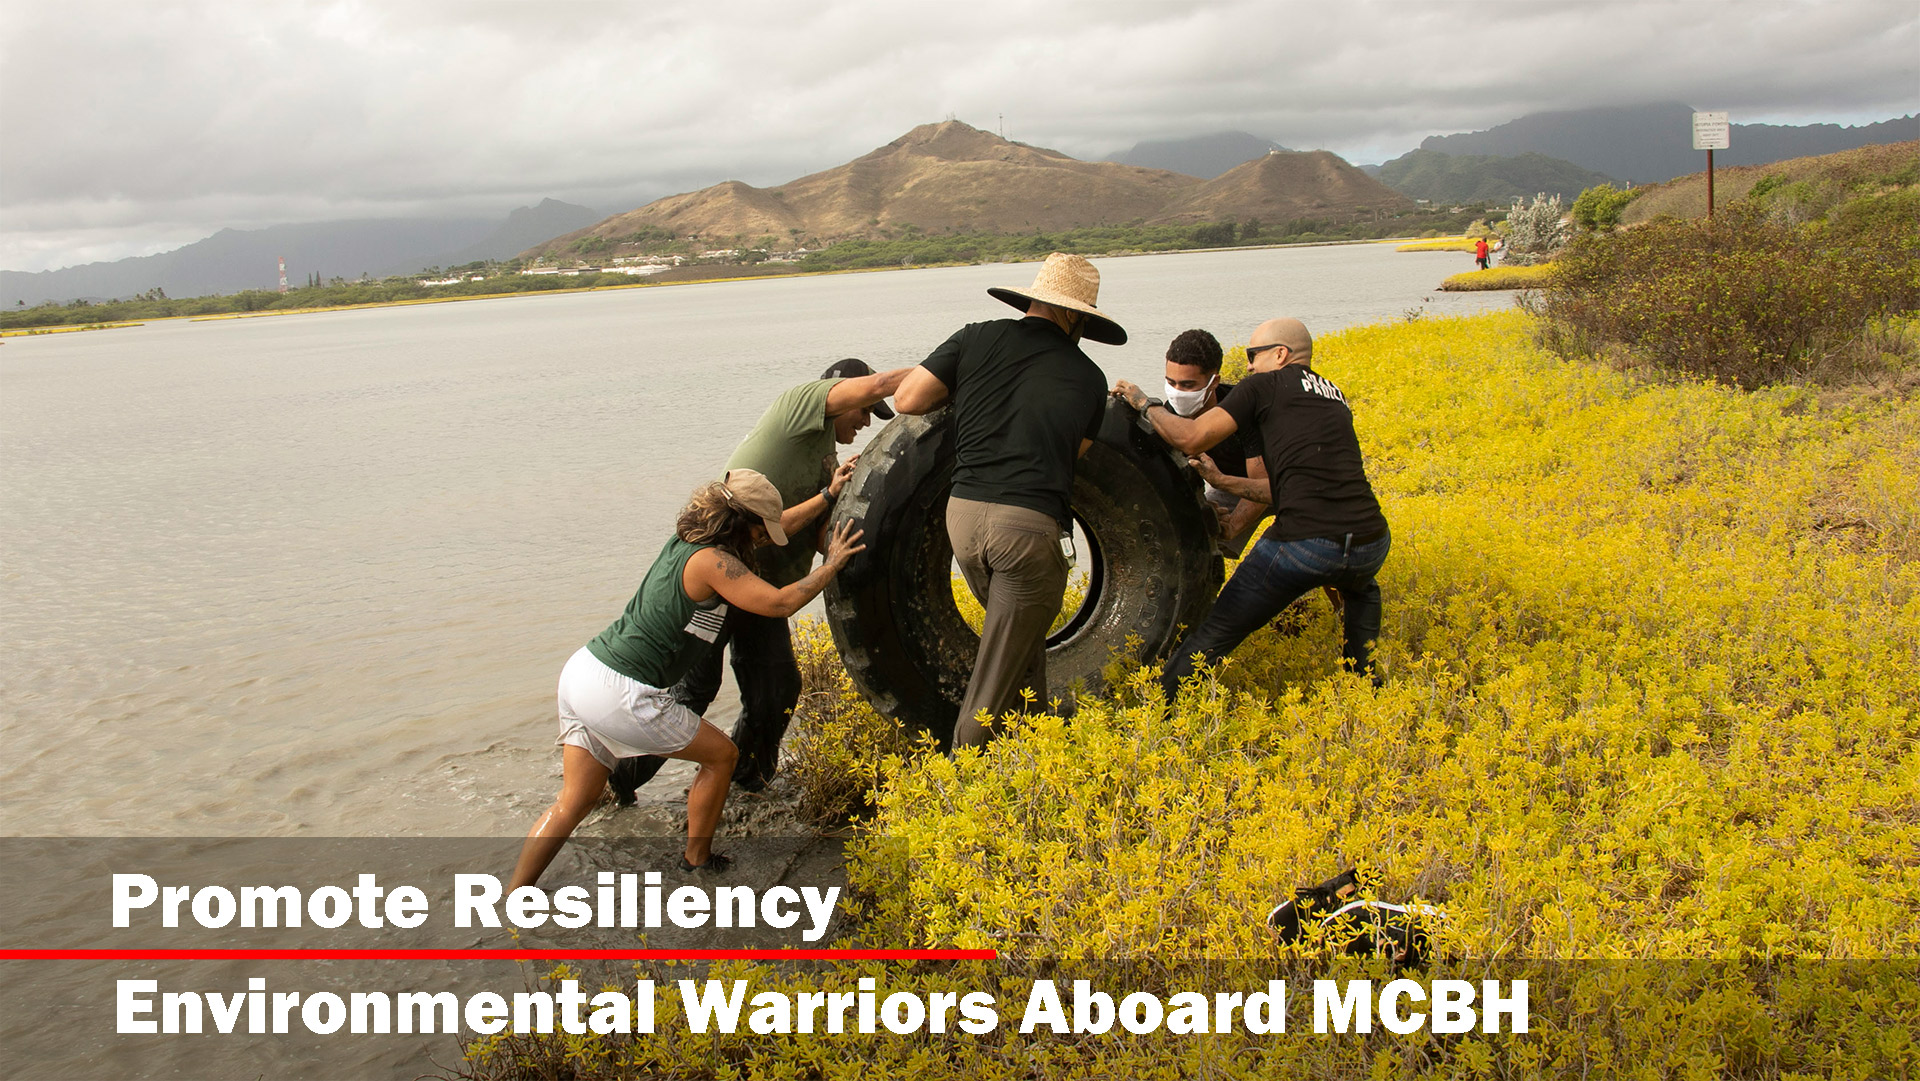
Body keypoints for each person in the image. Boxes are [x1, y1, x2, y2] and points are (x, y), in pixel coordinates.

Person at [510, 470, 865, 888]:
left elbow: (776, 530)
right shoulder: (712, 562)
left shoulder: (687, 545)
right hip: (620, 690)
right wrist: (833, 563)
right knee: (722, 756)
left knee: (574, 802)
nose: (763, 542)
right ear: (740, 525)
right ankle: (697, 860)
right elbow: (779, 602)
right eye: (760, 533)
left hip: (583, 672)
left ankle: (516, 893)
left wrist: (827, 494)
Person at [607, 359, 910, 802]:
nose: (866, 422)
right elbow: (771, 528)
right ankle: (618, 779)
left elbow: (825, 537)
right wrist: (951, 367)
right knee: (695, 691)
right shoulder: (800, 407)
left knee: (777, 689)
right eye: (863, 410)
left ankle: (746, 779)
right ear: (842, 394)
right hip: (723, 582)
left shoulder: (830, 461)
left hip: (762, 590)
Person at [894, 252, 1122, 749]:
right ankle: (963, 790)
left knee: (1020, 650)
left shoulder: (975, 336)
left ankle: (1042, 753)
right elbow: (1073, 454)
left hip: (964, 519)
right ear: (1076, 314)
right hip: (1026, 531)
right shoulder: (1088, 377)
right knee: (992, 686)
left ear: (1034, 300)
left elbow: (907, 400)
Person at [1113, 317, 1390, 701]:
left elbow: (1190, 438)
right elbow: (1287, 484)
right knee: (1361, 589)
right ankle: (1368, 689)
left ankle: (1158, 708)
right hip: (1370, 541)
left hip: (1307, 542)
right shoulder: (1334, 395)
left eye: (1252, 355)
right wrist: (1223, 482)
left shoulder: (1263, 385)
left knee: (1216, 630)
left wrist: (1144, 403)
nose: (1247, 366)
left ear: (1280, 354)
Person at [1152, 328, 1267, 556]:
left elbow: (1263, 484)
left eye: (1187, 385)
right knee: (1194, 535)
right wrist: (1204, 509)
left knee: (1306, 548)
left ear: (1214, 382)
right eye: (1170, 382)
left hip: (1276, 483)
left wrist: (1234, 525)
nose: (1177, 393)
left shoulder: (1243, 409)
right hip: (1228, 488)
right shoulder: (1169, 415)